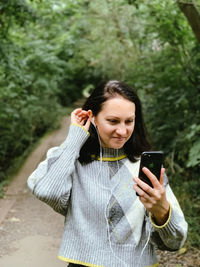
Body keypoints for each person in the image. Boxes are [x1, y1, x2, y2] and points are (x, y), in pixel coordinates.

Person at [27, 80, 188, 267]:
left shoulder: (144, 167)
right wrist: (75, 139)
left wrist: (162, 212)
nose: (122, 131)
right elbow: (46, 191)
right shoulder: (70, 160)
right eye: (113, 121)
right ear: (93, 118)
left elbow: (176, 242)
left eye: (129, 121)